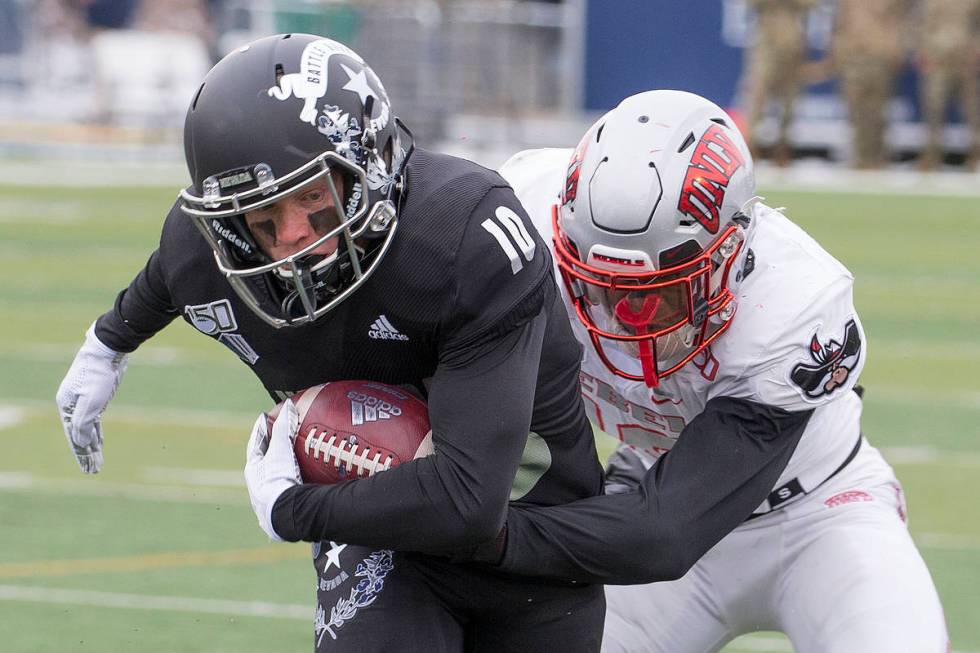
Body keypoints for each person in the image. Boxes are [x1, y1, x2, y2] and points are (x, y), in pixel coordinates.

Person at [55, 33, 608, 652]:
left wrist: (291, 510)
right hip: (384, 540)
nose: (294, 238)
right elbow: (170, 269)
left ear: (369, 167)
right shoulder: (206, 250)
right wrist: (108, 341)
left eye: (314, 200)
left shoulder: (462, 236)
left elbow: (468, 500)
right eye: (262, 219)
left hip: (537, 536)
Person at [492, 90, 950, 651]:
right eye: (598, 285)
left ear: (729, 251)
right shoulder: (521, 216)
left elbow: (664, 534)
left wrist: (485, 532)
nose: (626, 316)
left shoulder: (792, 306)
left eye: (661, 291)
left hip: (821, 514)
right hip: (653, 477)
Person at [830, 0, 909, 169]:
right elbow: (839, 24)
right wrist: (839, 52)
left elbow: (897, 22)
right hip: (854, 56)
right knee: (855, 110)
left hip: (879, 55)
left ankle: (878, 157)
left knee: (878, 111)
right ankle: (860, 157)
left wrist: (896, 49)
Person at [741, 0, 818, 166]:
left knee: (789, 99)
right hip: (766, 40)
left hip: (792, 42)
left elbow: (812, 4)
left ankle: (783, 147)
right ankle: (751, 147)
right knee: (757, 94)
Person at [916, 0, 980, 171]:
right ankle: (932, 156)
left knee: (973, 110)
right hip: (938, 60)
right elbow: (921, 24)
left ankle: (976, 156)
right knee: (933, 108)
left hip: (965, 60)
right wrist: (924, 52)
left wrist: (976, 50)